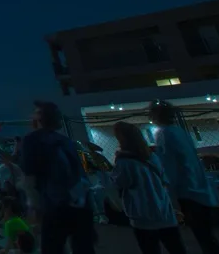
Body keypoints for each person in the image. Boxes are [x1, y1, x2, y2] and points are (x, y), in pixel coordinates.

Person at [19, 101, 95, 254]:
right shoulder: (66, 141)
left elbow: (30, 178)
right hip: (81, 204)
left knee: (52, 248)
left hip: (54, 205)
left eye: (35, 113)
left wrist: (33, 207)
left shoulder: (32, 140)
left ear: (39, 118)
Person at [149, 101, 219, 254]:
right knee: (206, 233)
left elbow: (169, 166)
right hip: (199, 187)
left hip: (186, 190)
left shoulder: (163, 134)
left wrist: (170, 193)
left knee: (201, 233)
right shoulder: (179, 131)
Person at [112, 121, 186, 254]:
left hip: (141, 212)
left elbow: (121, 182)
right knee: (176, 247)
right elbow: (164, 179)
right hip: (163, 210)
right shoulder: (151, 157)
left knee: (150, 249)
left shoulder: (124, 162)